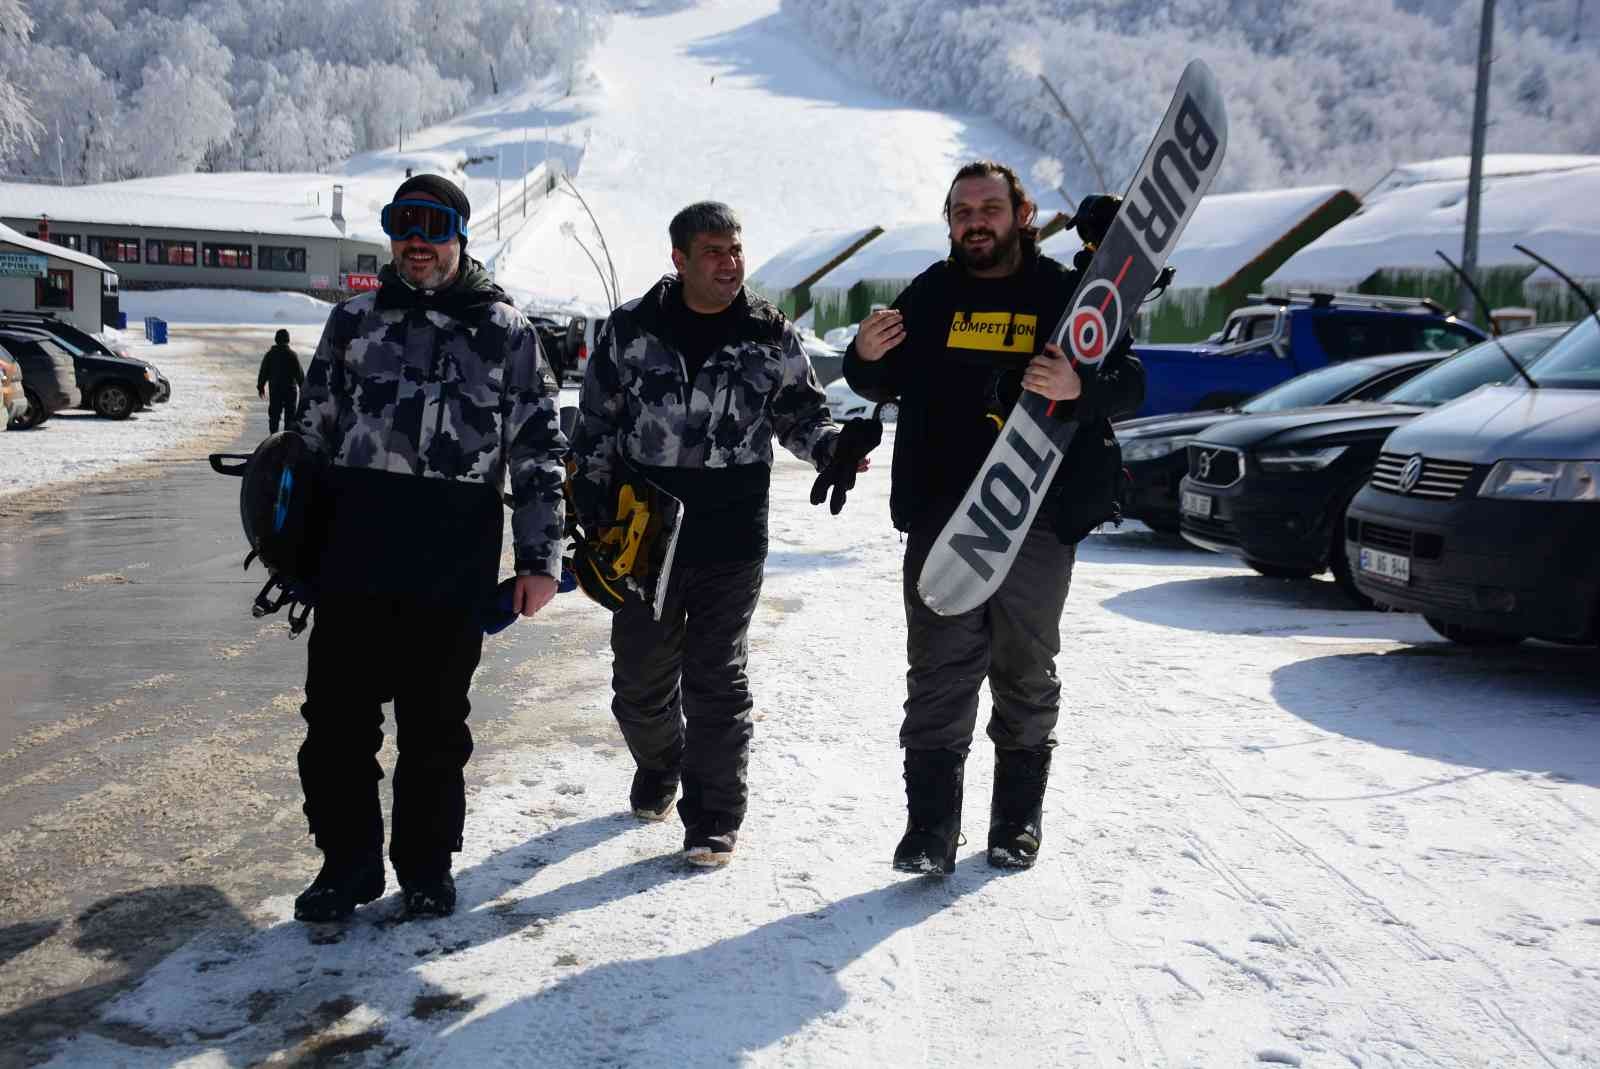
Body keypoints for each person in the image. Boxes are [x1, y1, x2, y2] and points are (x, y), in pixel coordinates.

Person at [843, 161, 1145, 875]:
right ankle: (929, 831)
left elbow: (1131, 380)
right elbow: (876, 380)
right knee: (938, 671)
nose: (976, 221)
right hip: (943, 517)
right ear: (950, 222)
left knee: (1025, 668)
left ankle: (1016, 821)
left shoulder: (1062, 293)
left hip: (1035, 516)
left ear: (1022, 212)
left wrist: (1080, 385)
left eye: (989, 207)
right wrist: (861, 356)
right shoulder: (930, 294)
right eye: (962, 211)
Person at [289, 174, 567, 921]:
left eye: (433, 225)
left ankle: (425, 867)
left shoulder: (504, 331)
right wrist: (289, 540)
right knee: (336, 723)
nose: (417, 241)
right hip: (353, 553)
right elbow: (307, 440)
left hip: (452, 558)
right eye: (403, 225)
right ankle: (346, 866)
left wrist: (542, 560)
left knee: (435, 727)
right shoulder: (353, 321)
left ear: (460, 236)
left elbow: (539, 450)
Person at [570, 201, 876, 867]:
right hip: (645, 533)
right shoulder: (631, 331)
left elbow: (801, 415)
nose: (730, 262)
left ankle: (713, 816)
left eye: (735, 249)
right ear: (678, 260)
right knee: (640, 682)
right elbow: (594, 425)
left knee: (718, 676)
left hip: (733, 530)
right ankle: (662, 762)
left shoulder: (768, 333)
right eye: (714, 251)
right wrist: (588, 500)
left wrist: (834, 450)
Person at [257, 328, 304, 433]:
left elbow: (263, 372)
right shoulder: (292, 355)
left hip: (275, 390)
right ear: (288, 340)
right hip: (290, 391)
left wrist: (260, 387)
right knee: (290, 417)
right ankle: (288, 439)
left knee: (274, 416)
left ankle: (273, 438)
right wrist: (304, 389)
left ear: (276, 339)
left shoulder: (270, 355)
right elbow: (299, 374)